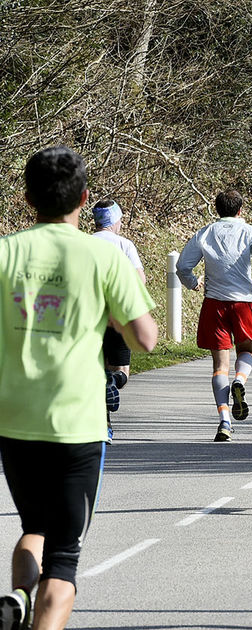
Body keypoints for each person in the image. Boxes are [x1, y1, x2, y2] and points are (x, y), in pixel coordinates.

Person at [0, 146, 157, 629]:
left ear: (27, 199)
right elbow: (146, 338)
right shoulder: (101, 254)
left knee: (33, 528)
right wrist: (115, 320)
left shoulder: (5, 252)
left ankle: (21, 599)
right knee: (64, 557)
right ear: (85, 198)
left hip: (14, 421)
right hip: (77, 425)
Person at [176, 189, 252, 441]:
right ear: (241, 209)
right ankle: (240, 380)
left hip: (214, 303)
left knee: (219, 366)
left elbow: (183, 265)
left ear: (216, 209)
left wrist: (193, 283)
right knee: (246, 352)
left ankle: (225, 421)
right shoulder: (251, 231)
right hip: (243, 303)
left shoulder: (205, 232)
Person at [91, 199, 147, 440]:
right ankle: (114, 381)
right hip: (118, 315)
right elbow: (139, 280)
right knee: (120, 372)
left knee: (97, 374)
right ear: (114, 220)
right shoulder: (124, 245)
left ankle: (105, 428)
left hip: (90, 316)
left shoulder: (84, 243)